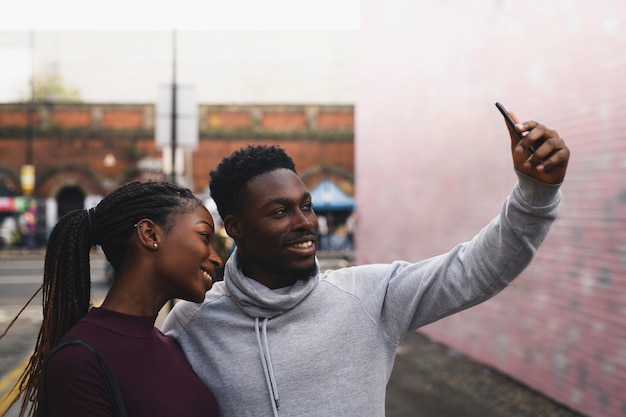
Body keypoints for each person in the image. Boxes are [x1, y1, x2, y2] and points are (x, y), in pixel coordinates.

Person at [162, 112, 570, 417]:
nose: (305, 221)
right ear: (235, 227)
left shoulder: (369, 297)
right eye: (280, 211)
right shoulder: (193, 324)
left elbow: (477, 270)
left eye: (306, 205)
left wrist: (536, 194)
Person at [3, 181, 223, 417]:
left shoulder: (170, 344)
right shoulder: (78, 363)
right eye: (203, 236)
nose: (217, 259)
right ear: (149, 234)